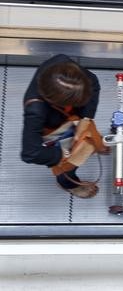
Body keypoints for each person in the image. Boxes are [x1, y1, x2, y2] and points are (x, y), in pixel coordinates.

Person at [21, 54, 107, 199]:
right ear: (52, 100)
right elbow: (31, 153)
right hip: (53, 126)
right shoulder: (35, 110)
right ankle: (68, 182)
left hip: (74, 116)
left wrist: (85, 119)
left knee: (87, 136)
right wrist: (63, 155)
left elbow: (93, 83)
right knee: (69, 161)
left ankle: (92, 144)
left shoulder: (67, 70)